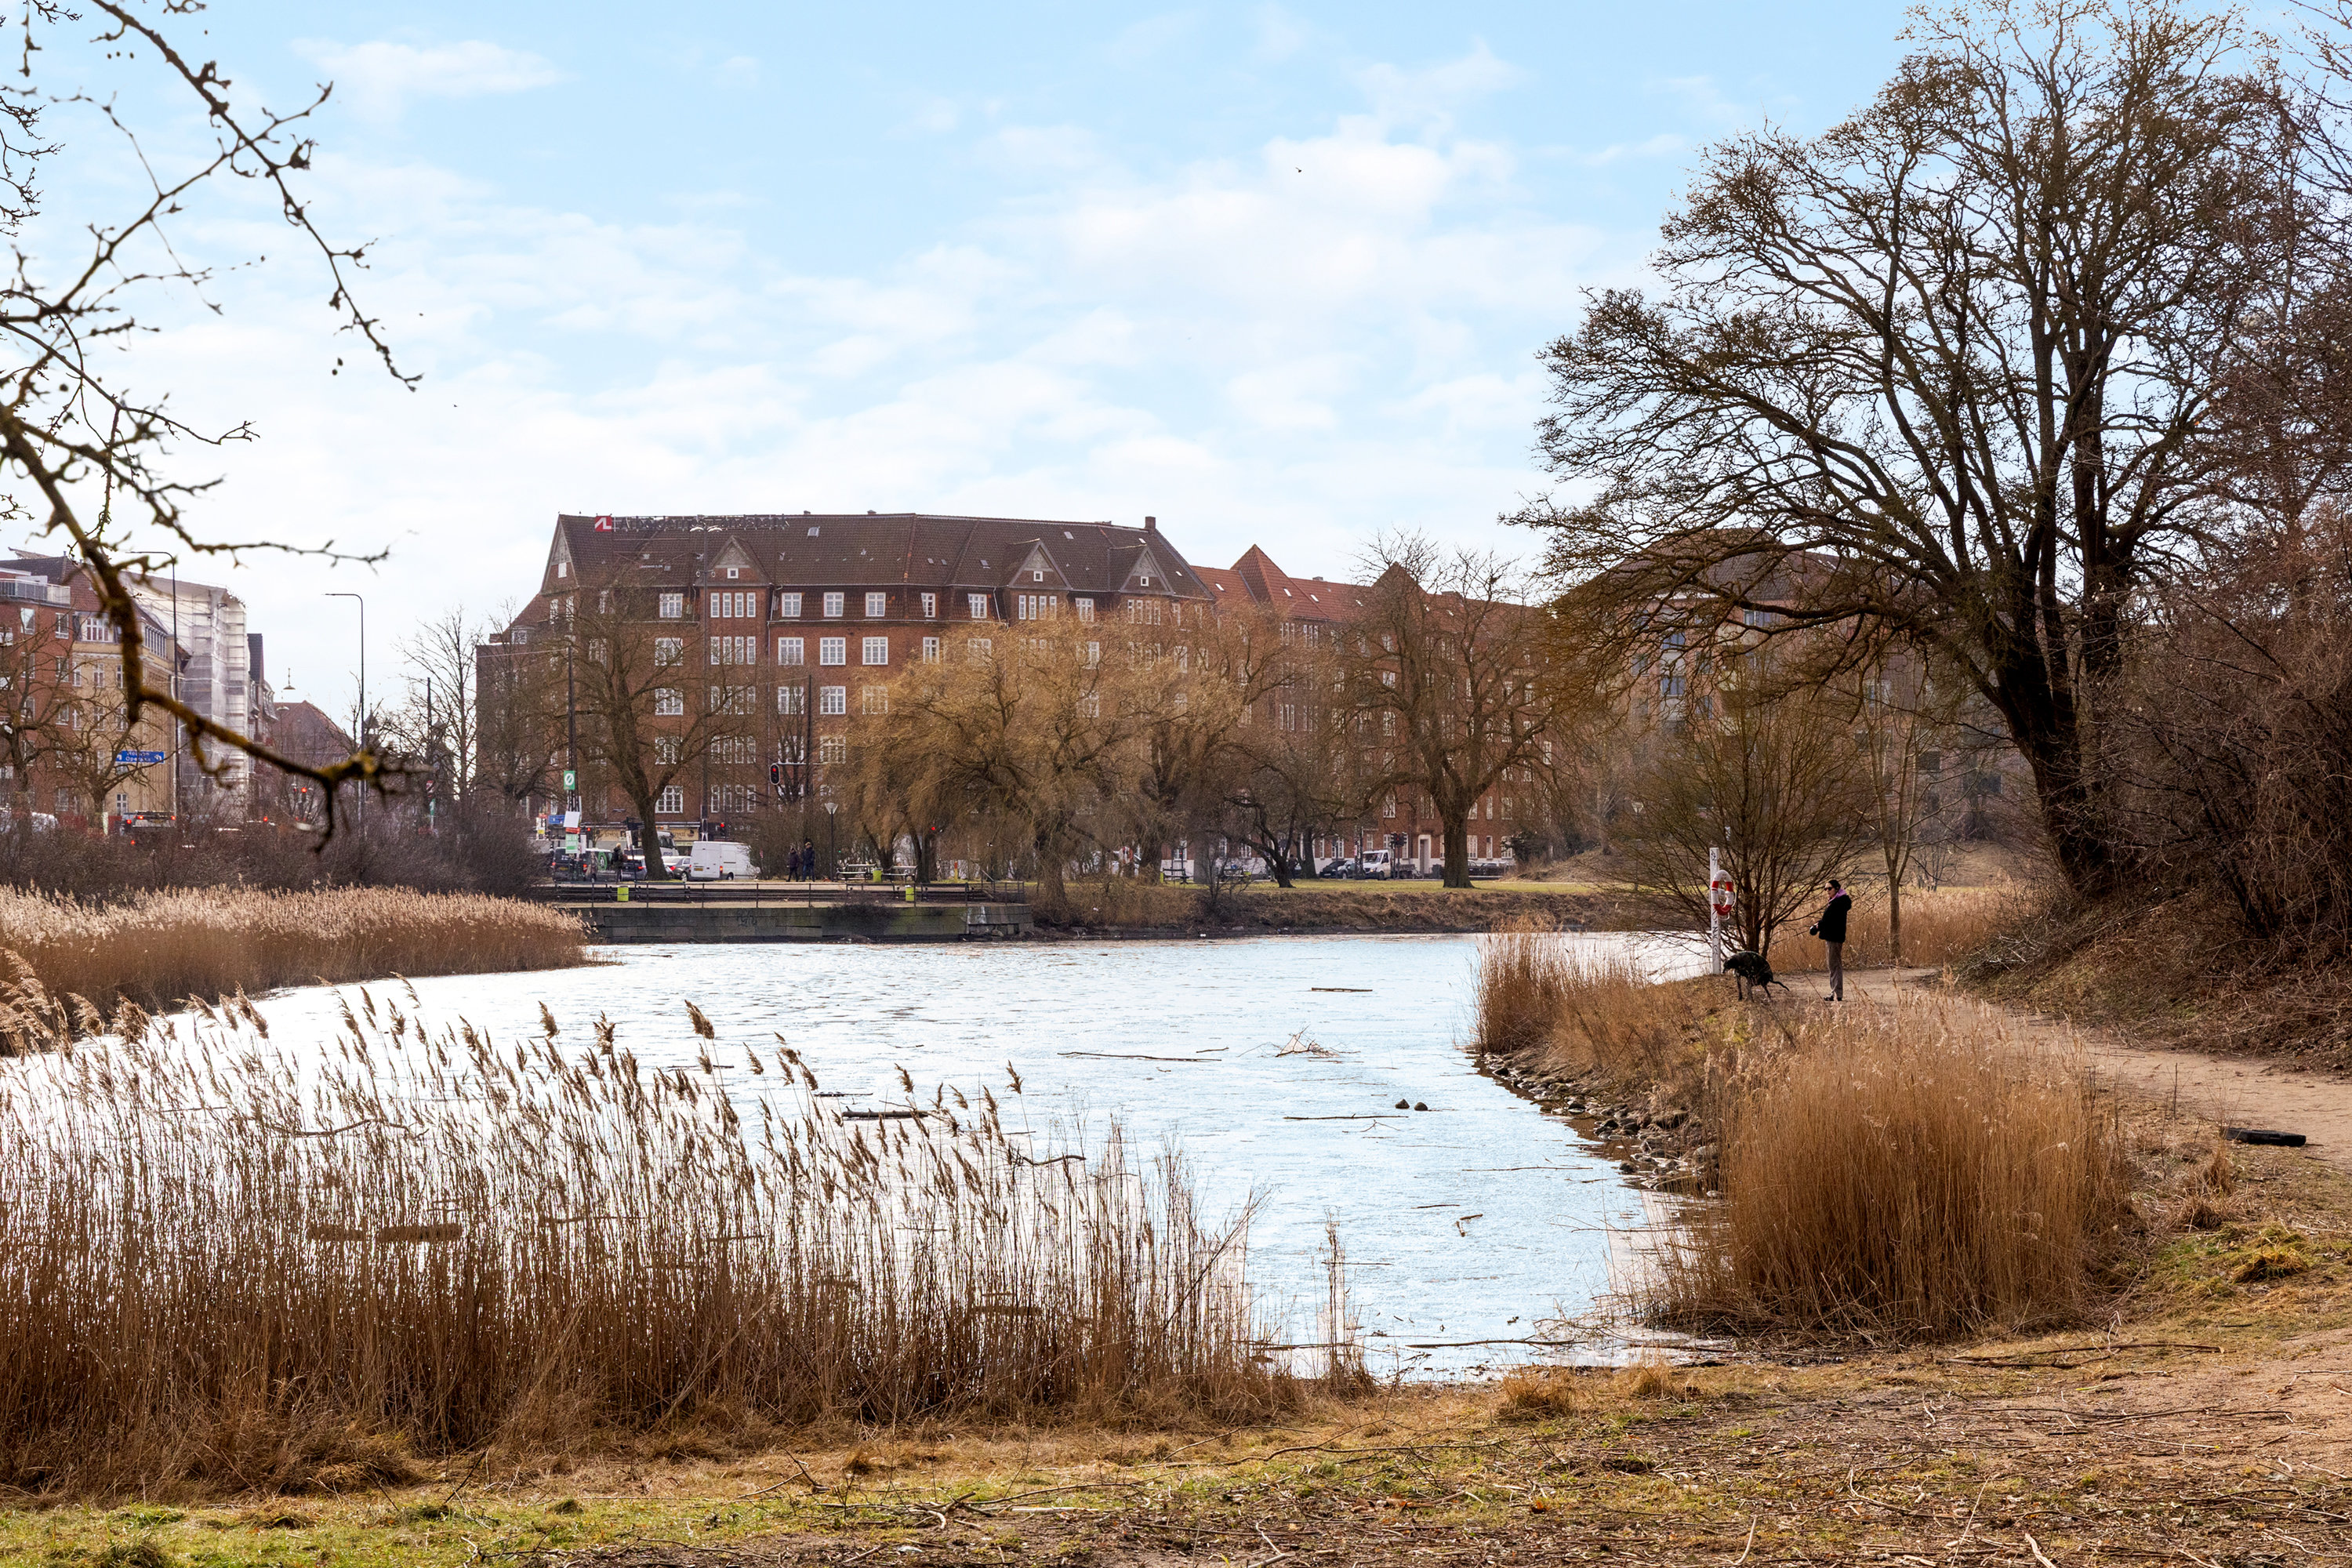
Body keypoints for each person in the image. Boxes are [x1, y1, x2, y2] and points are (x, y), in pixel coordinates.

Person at [1811, 880, 1853, 1002]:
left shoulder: (1837, 903)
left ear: (1837, 888)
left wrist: (1817, 926)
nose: (1827, 891)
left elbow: (1830, 921)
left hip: (1834, 937)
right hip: (1834, 937)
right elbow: (1829, 920)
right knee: (1834, 965)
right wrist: (1819, 925)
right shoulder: (1837, 902)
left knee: (1834, 965)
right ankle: (1835, 992)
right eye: (1825, 889)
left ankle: (1836, 994)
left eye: (1829, 888)